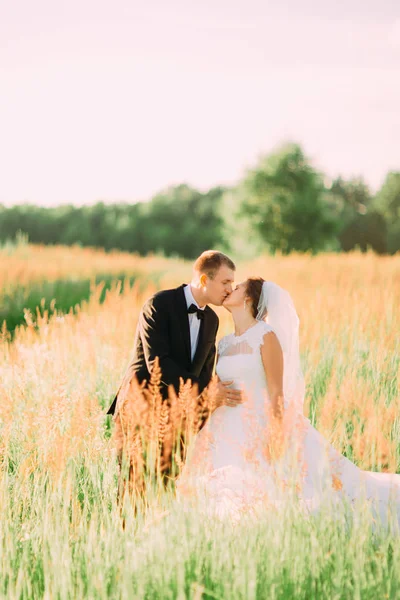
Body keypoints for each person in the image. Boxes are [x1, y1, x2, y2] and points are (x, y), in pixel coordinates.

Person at [177, 278, 400, 527]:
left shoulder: (265, 336)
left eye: (237, 287)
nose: (231, 289)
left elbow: (276, 391)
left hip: (258, 422)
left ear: (249, 299)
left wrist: (275, 434)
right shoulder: (225, 342)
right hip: (224, 425)